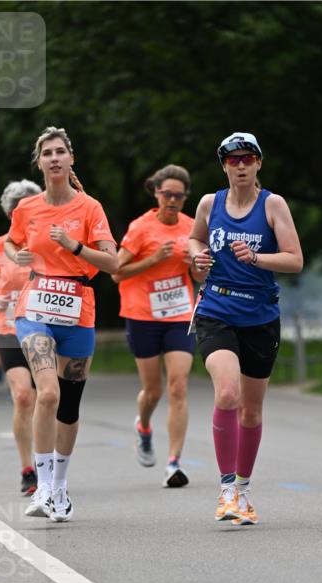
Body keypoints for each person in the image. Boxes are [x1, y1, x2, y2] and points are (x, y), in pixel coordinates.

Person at [188, 132, 303, 524]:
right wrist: (197, 260)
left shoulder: (273, 205)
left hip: (260, 316)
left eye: (247, 159)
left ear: (258, 164)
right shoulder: (209, 203)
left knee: (251, 411)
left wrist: (256, 258)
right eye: (232, 160)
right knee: (227, 393)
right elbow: (193, 241)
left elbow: (295, 260)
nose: (240, 166)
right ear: (223, 166)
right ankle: (225, 490)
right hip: (216, 307)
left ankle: (243, 489)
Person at [4, 126, 118, 521]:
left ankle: (61, 487)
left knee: (69, 405)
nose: (53, 158)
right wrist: (16, 255)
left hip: (78, 309)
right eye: (46, 153)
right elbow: (10, 240)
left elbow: (113, 262)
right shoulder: (28, 208)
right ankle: (44, 486)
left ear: (71, 159)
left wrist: (74, 246)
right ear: (39, 163)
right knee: (46, 393)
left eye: (60, 152)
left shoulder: (90, 208)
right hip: (34, 307)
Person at [112, 165, 204, 487]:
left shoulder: (192, 227)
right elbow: (116, 273)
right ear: (156, 193)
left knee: (178, 386)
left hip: (179, 313)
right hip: (142, 315)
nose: (173, 201)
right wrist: (152, 260)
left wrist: (196, 265)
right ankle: (144, 426)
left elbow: (200, 277)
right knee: (152, 391)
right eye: (168, 194)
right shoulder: (140, 229)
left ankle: (174, 462)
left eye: (179, 196)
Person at [0, 179, 42, 496]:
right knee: (22, 396)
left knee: (48, 398)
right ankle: (27, 470)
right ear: (10, 215)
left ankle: (51, 465)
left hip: (45, 327)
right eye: (18, 209)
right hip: (9, 328)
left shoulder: (48, 241)